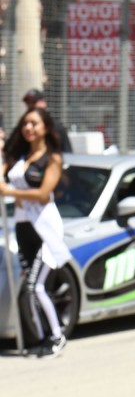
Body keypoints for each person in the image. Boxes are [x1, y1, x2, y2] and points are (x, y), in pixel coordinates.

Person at [0, 105, 69, 357]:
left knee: (35, 286)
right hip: (22, 226)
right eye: (25, 123)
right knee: (28, 286)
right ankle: (39, 339)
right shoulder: (17, 157)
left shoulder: (52, 158)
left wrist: (11, 192)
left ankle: (57, 335)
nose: (28, 128)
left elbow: (42, 194)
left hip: (45, 228)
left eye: (34, 123)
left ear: (45, 128)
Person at [22, 88, 72, 154]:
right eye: (28, 103)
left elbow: (67, 152)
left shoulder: (57, 127)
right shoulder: (22, 127)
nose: (28, 128)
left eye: (33, 102)